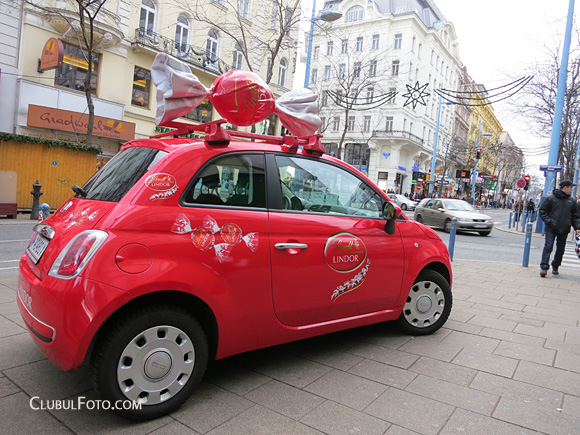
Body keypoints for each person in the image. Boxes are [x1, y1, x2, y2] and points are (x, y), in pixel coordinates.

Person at [538, 180, 580, 277]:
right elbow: (543, 211)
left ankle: (556, 265)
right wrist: (549, 221)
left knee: (560, 249)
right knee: (548, 247)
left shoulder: (572, 201)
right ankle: (544, 266)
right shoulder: (551, 198)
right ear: (565, 187)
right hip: (551, 228)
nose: (572, 189)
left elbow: (575, 216)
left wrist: (577, 227)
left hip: (564, 228)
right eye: (571, 187)